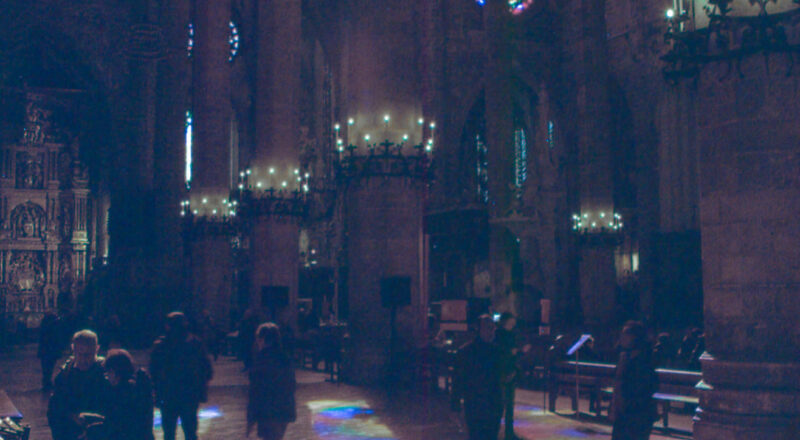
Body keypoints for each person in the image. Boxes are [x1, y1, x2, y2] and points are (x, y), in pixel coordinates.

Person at [150, 311, 213, 440]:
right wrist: (202, 390)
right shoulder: (195, 344)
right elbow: (206, 370)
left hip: (168, 395)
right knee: (190, 431)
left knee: (169, 433)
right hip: (189, 395)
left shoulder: (161, 346)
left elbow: (154, 372)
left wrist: (156, 392)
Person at [47, 329, 109, 440]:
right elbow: (55, 408)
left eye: (88, 355)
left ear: (97, 349)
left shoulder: (106, 373)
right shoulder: (65, 374)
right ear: (73, 349)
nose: (84, 359)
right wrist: (71, 416)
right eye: (80, 354)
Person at [451, 314, 503, 440]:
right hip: (477, 402)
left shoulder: (495, 351)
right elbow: (458, 379)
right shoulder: (467, 352)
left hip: (488, 402)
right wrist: (455, 404)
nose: (491, 332)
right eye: (488, 328)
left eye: (492, 328)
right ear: (479, 330)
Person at [247, 323, 297, 439]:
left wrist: (251, 417)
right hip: (283, 409)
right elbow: (291, 385)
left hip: (267, 411)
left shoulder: (262, 359)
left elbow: (256, 390)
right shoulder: (285, 358)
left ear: (263, 339)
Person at [610, 321, 658, 440]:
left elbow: (645, 386)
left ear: (635, 338)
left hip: (637, 412)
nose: (621, 338)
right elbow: (618, 382)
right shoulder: (624, 356)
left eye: (625, 334)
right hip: (623, 411)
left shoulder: (644, 359)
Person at [103, 348, 155, 440]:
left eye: (108, 373)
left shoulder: (122, 392)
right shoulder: (139, 385)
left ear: (115, 372)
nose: (107, 377)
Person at [495, 313, 521, 440]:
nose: (512, 325)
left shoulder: (512, 334)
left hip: (511, 370)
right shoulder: (498, 334)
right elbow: (497, 352)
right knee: (500, 404)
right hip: (501, 372)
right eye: (510, 323)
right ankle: (495, 432)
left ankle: (509, 433)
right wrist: (510, 352)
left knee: (510, 404)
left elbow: (514, 352)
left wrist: (519, 352)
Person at [38, 311, 63, 391]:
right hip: (51, 350)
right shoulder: (55, 326)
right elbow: (57, 338)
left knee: (46, 367)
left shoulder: (45, 325)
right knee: (49, 367)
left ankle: (46, 382)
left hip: (45, 350)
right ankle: (47, 382)